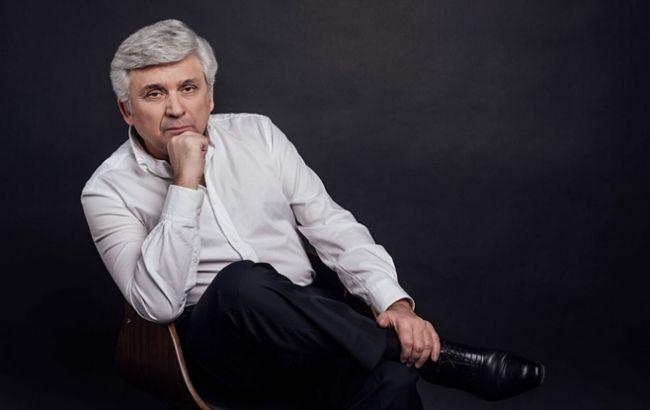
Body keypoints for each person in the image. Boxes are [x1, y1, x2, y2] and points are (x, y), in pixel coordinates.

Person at [81, 19, 545, 409]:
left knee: (393, 382)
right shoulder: (107, 190)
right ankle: (438, 359)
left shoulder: (258, 134)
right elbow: (157, 306)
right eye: (154, 94)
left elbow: (330, 224)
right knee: (241, 283)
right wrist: (185, 183)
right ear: (127, 110)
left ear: (211, 96)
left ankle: (404, 354)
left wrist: (395, 306)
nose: (176, 108)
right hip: (217, 350)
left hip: (310, 328)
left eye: (188, 88)